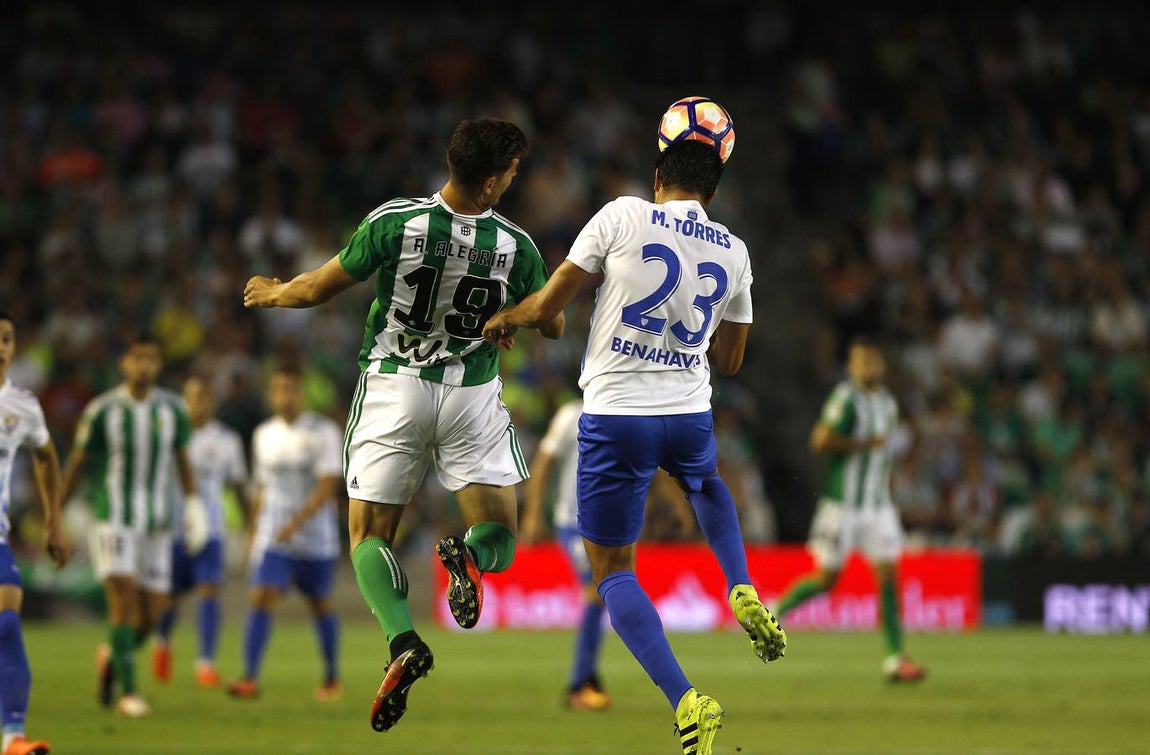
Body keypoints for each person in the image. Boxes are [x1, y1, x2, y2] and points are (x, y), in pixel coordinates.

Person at [242, 116, 563, 733]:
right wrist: (512, 316)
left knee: (368, 534)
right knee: (499, 535)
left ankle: (403, 641)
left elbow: (317, 289)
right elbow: (553, 323)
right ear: (491, 183)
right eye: (511, 174)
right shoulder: (516, 246)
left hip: (394, 387)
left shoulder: (395, 222)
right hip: (470, 394)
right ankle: (468, 558)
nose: (511, 182)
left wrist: (272, 292)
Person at [483, 132, 787, 755]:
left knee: (613, 573)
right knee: (705, 483)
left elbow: (550, 304)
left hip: (618, 414)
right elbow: (731, 360)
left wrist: (509, 317)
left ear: (656, 180)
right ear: (712, 194)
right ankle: (740, 584)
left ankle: (686, 700)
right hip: (689, 411)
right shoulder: (734, 250)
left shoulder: (622, 215)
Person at [524, 396, 694, 712]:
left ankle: (586, 680)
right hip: (574, 522)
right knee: (596, 591)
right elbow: (544, 462)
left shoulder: (626, 410)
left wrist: (678, 505)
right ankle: (581, 684)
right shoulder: (571, 415)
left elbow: (654, 468)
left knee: (603, 591)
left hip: (615, 524)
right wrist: (533, 512)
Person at [773, 336, 926, 682]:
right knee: (826, 580)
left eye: (871, 362)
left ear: (881, 365)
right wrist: (863, 443)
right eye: (859, 362)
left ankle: (895, 658)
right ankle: (774, 612)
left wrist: (890, 491)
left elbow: (884, 458)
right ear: (852, 366)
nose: (866, 368)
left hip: (878, 506)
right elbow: (820, 440)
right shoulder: (845, 399)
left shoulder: (887, 403)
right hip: (842, 506)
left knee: (888, 575)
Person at [60, 332, 197, 717]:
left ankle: (112, 655)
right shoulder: (103, 410)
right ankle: (129, 693)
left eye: (151, 358)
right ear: (125, 363)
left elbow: (182, 461)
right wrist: (55, 512)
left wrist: (194, 507)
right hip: (114, 518)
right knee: (122, 601)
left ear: (159, 364)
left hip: (157, 521)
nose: (144, 366)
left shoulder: (172, 409)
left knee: (153, 614)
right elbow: (78, 463)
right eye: (137, 358)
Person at [227, 363, 342, 702]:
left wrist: (296, 523)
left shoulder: (323, 431)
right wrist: (253, 532)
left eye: (291, 389)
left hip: (315, 538)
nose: (285, 396)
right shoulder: (264, 434)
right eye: (279, 390)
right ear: (271, 395)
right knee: (261, 596)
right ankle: (249, 677)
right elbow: (262, 488)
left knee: (320, 604)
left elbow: (328, 484)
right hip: (274, 538)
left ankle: (331, 676)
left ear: (301, 394)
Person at [0, 311, 70, 755]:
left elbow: (46, 455)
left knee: (7, 623)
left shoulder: (21, 405)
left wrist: (52, 521)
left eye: (6, 339)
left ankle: (13, 737)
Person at [152, 374, 249, 688]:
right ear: (184, 400)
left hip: (211, 530)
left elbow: (237, 485)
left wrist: (250, 524)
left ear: (213, 402)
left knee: (209, 590)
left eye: (204, 397)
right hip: (173, 530)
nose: (198, 403)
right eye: (193, 397)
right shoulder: (168, 436)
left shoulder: (227, 440)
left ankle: (205, 663)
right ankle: (162, 642)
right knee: (170, 598)